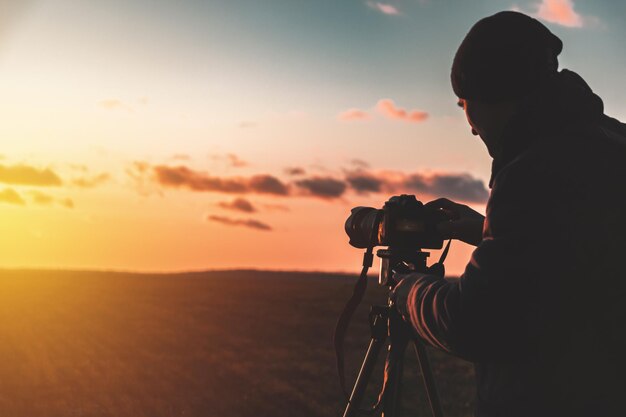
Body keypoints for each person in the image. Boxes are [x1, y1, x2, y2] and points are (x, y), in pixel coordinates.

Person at [391, 11, 626, 417]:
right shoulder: (610, 142)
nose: (470, 126)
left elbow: (474, 322)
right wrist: (483, 229)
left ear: (490, 95)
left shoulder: (533, 172)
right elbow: (569, 253)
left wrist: (408, 291)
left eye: (464, 103)